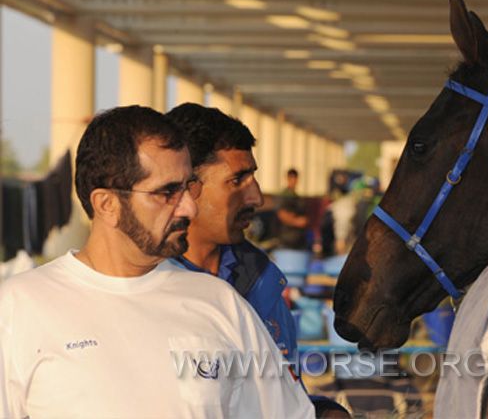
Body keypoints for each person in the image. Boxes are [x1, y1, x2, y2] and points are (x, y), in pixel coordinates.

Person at [0, 106, 314, 418]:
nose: (189, 208)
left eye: (187, 187)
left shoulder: (221, 303)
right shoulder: (19, 307)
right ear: (107, 204)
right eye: (167, 192)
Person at [166, 103, 349, 418]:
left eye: (253, 178)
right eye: (237, 180)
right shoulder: (145, 288)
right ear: (187, 187)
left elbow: (281, 399)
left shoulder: (262, 279)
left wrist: (322, 412)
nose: (257, 198)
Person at [277, 168, 309, 250]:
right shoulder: (284, 196)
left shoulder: (297, 197)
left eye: (295, 178)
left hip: (299, 241)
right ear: (287, 178)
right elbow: (282, 215)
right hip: (286, 240)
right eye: (291, 178)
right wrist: (297, 222)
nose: (293, 180)